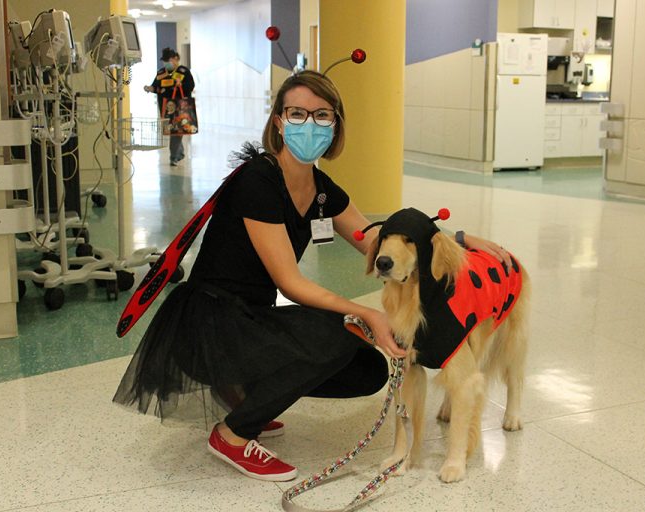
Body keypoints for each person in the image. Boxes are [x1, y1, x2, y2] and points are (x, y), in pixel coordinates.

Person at [115, 70, 513, 482]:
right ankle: (233, 435)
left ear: (336, 125)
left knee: (368, 371)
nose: (310, 125)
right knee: (334, 334)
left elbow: (374, 238)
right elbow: (291, 284)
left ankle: (249, 399)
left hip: (252, 317)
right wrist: (370, 315)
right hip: (213, 325)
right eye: (298, 113)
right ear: (278, 122)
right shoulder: (258, 181)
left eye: (322, 116)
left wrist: (450, 240)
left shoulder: (321, 188)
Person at [144, 47, 195, 166]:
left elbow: (191, 86)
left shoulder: (183, 71)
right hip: (165, 107)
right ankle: (180, 153)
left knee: (176, 131)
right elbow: (156, 87)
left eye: (169, 60)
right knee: (173, 131)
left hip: (180, 106)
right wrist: (150, 88)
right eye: (165, 61)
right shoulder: (161, 73)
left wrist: (180, 84)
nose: (167, 63)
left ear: (176, 59)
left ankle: (173, 157)